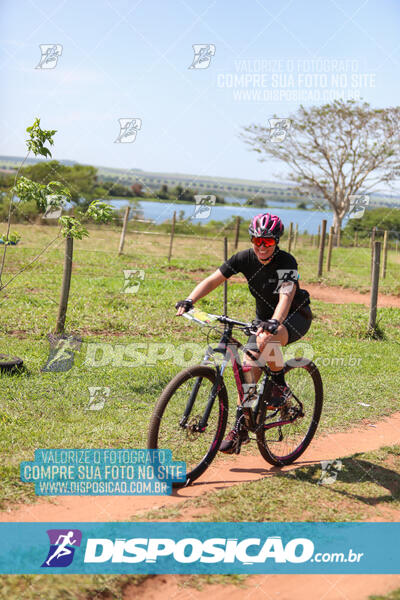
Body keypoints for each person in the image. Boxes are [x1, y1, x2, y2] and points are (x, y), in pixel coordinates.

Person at [175, 213, 312, 454]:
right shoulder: (243, 258)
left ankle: (279, 386)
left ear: (276, 241)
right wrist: (190, 299)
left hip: (293, 316)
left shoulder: (287, 262)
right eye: (256, 240)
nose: (261, 246)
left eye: (267, 242)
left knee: (266, 339)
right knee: (249, 371)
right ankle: (242, 426)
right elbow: (214, 279)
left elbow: (286, 296)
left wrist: (274, 322)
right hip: (263, 321)